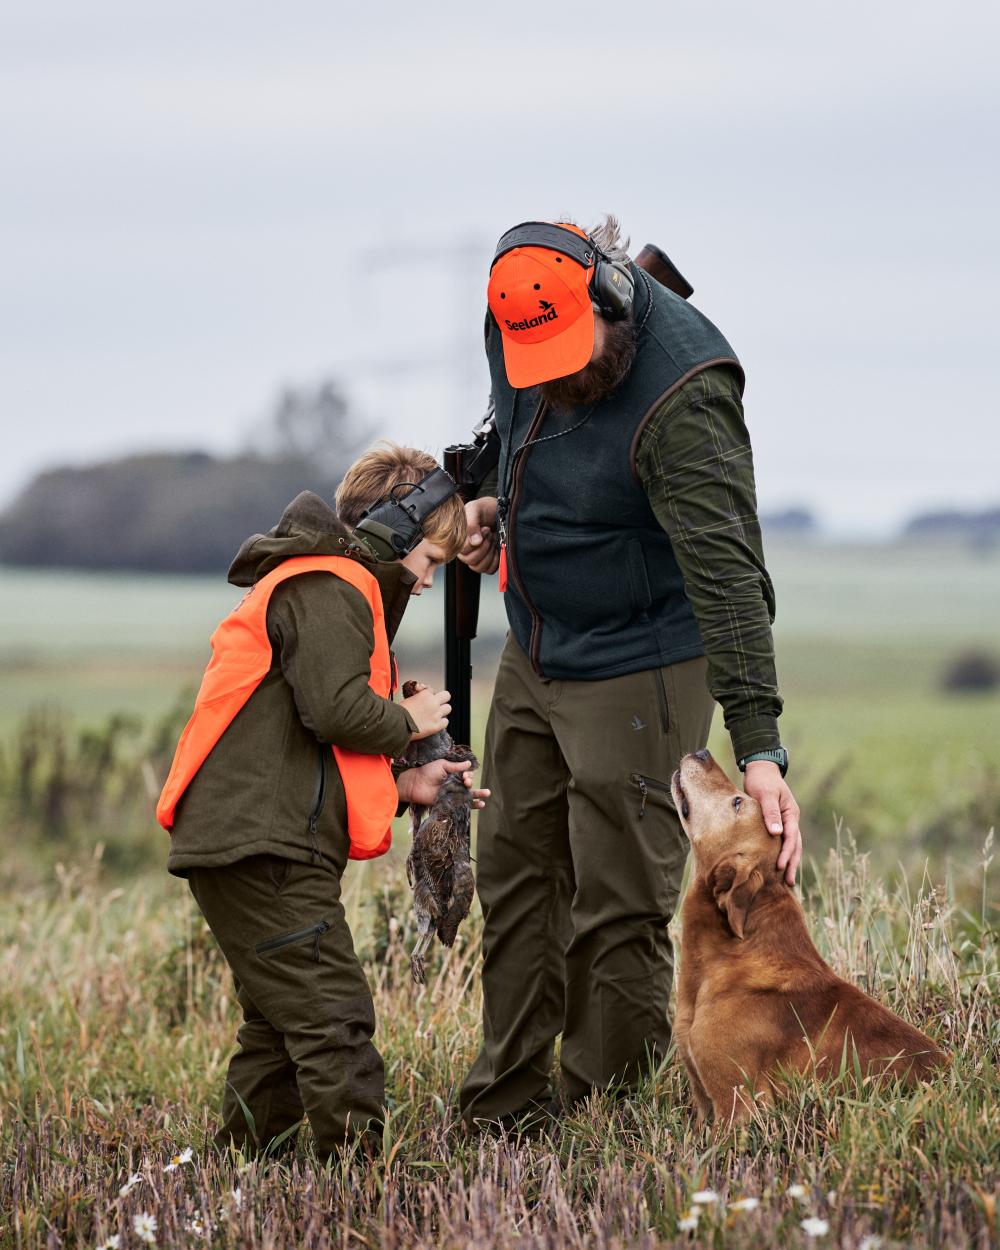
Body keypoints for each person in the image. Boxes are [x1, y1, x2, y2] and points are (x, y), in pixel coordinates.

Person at [457, 217, 803, 1129]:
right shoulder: (512, 326)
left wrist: (759, 748)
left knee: (616, 903)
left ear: (610, 297)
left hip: (644, 658)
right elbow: (517, 439)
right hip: (536, 643)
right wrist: (492, 499)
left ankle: (608, 1114)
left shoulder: (684, 396)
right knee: (516, 875)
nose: (564, 375)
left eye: (580, 349)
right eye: (544, 358)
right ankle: (507, 1108)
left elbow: (730, 581)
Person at [158, 443, 486, 1158]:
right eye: (430, 560)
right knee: (335, 1016)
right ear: (397, 528)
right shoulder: (331, 587)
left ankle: (242, 1166)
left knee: (282, 1023)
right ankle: (360, 1181)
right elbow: (337, 713)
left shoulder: (331, 589)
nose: (429, 581)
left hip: (255, 840)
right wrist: (413, 721)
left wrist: (408, 784)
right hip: (262, 847)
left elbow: (304, 750)